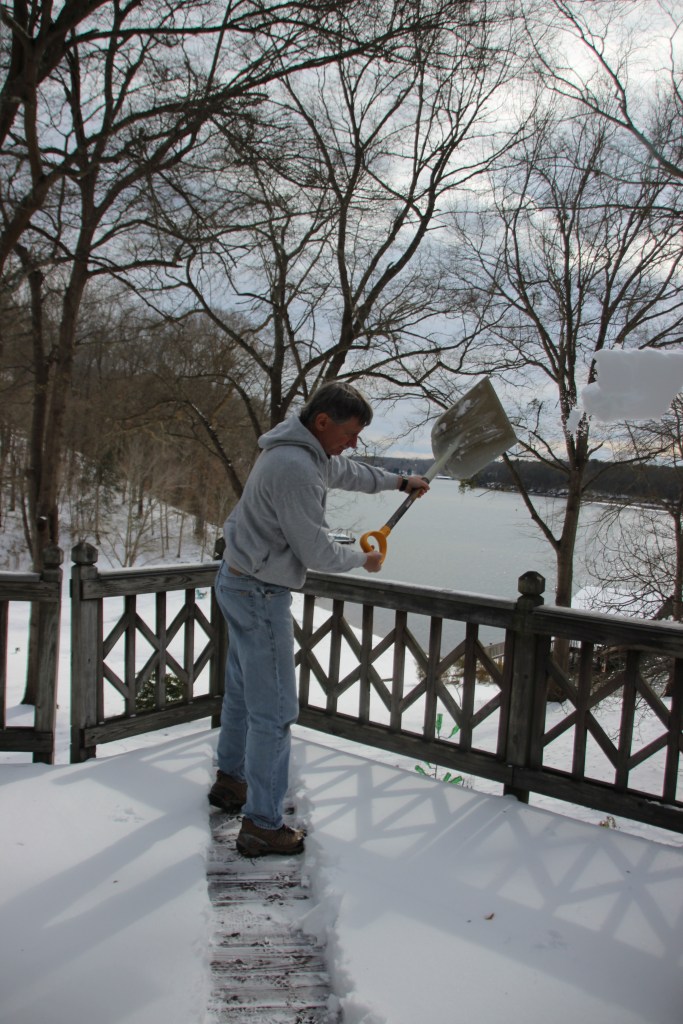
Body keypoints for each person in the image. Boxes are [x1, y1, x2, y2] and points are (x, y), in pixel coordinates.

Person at [209, 381, 429, 856]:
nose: (353, 443)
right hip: (259, 593)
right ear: (323, 422)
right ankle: (262, 824)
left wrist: (398, 482)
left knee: (244, 691)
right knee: (275, 712)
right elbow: (316, 551)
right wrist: (363, 558)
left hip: (237, 579)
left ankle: (231, 780)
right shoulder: (296, 469)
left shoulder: (300, 449)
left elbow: (346, 471)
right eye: (349, 433)